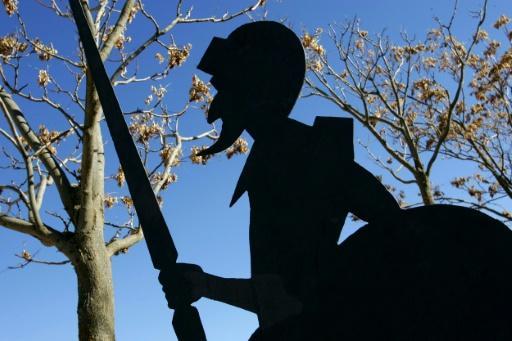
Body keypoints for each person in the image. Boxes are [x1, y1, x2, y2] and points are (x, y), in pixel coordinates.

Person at [159, 21, 402, 338]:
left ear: (255, 85)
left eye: (226, 84)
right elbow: (281, 298)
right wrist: (204, 285)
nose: (217, 96)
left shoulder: (306, 152)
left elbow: (396, 231)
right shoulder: (271, 160)